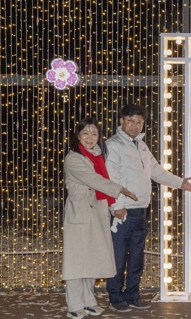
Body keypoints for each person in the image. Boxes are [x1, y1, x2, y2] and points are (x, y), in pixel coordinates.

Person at [105, 104, 191, 312]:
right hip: (123, 211)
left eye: (139, 122)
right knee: (118, 257)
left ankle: (132, 295)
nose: (135, 126)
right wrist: (117, 206)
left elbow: (156, 171)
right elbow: (111, 177)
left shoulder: (141, 146)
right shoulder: (113, 145)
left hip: (141, 209)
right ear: (121, 121)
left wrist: (179, 183)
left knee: (136, 257)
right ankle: (115, 297)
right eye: (130, 121)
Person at [62, 118, 138, 319]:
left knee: (92, 260)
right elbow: (94, 180)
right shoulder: (74, 158)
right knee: (77, 262)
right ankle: (75, 305)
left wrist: (114, 206)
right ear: (78, 136)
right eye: (85, 133)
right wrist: (120, 189)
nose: (90, 138)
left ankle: (89, 302)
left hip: (97, 212)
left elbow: (101, 182)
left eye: (94, 134)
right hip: (79, 213)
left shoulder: (98, 157)